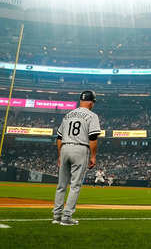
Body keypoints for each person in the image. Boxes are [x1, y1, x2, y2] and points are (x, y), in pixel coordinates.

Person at [52, 90, 101, 226]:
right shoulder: (92, 116)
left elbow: (59, 137)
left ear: (81, 101)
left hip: (65, 148)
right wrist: (93, 156)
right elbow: (93, 137)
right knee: (75, 185)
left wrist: (60, 154)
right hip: (80, 148)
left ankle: (56, 216)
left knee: (61, 185)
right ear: (91, 102)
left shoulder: (68, 114)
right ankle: (66, 217)